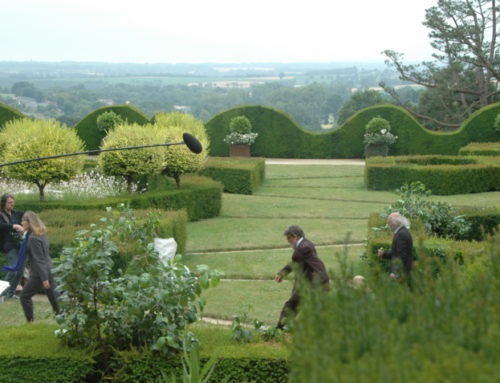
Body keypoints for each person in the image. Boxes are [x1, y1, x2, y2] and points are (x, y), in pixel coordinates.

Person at [275, 225, 329, 329]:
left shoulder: (304, 247)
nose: (288, 241)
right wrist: (282, 273)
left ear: (294, 236)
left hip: (309, 285)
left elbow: (318, 265)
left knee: (290, 307)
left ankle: (278, 331)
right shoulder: (306, 244)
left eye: (288, 238)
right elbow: (296, 263)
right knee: (296, 307)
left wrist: (322, 282)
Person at [19, 211, 60, 322]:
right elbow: (41, 256)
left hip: (41, 272)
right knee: (54, 299)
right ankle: (64, 321)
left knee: (24, 296)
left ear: (29, 222)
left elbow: (39, 259)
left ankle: (30, 321)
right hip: (49, 268)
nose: (21, 222)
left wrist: (44, 278)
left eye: (23, 220)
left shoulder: (33, 238)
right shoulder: (41, 234)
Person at [0, 193, 25, 300]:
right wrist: (13, 226)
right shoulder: (1, 214)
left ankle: (10, 294)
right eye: (9, 203)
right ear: (3, 203)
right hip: (8, 245)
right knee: (13, 269)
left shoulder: (16, 213)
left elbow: (28, 216)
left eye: (13, 202)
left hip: (19, 244)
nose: (12, 205)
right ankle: (2, 293)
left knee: (20, 271)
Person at [378, 212, 414, 283]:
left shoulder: (401, 234)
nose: (388, 225)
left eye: (389, 222)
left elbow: (401, 256)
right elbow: (395, 253)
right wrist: (384, 254)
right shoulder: (400, 232)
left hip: (401, 275)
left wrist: (395, 273)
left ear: (396, 223)